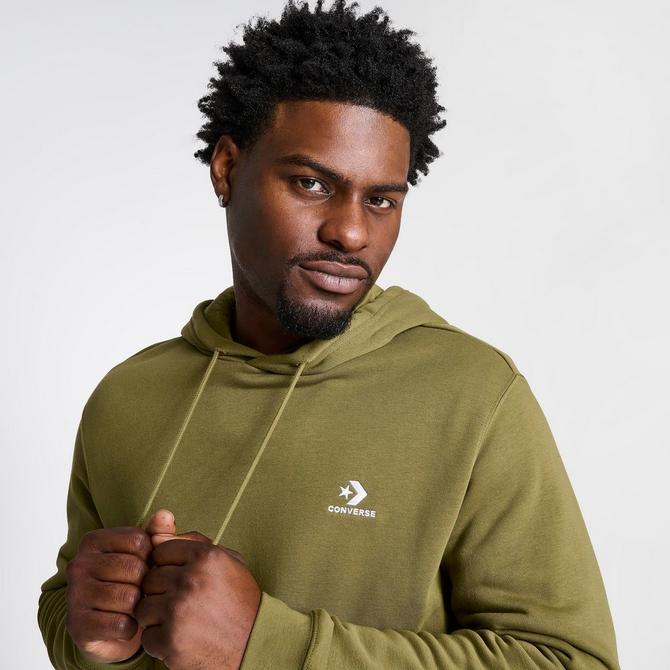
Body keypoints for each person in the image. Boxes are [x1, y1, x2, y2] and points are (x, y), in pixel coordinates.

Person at [37, 1, 620, 668]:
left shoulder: (474, 395)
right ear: (227, 169)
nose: (351, 232)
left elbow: (570, 660)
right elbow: (70, 621)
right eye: (312, 183)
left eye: (381, 200)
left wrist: (267, 644)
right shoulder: (127, 397)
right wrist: (94, 639)